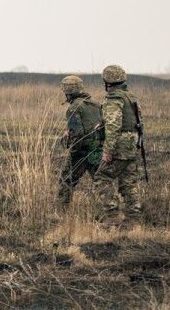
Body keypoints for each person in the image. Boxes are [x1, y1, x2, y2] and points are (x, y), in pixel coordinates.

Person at [95, 65, 143, 224]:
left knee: (102, 177)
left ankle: (113, 215)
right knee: (128, 181)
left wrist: (108, 150)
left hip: (119, 146)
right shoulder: (131, 97)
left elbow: (113, 126)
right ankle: (133, 218)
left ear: (108, 82)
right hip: (132, 144)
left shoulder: (114, 98)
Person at [57, 75, 103, 207]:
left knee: (66, 180)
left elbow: (77, 134)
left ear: (67, 91)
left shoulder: (73, 108)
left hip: (81, 152)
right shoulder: (96, 104)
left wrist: (73, 152)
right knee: (101, 181)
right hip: (97, 149)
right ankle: (110, 210)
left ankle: (62, 211)